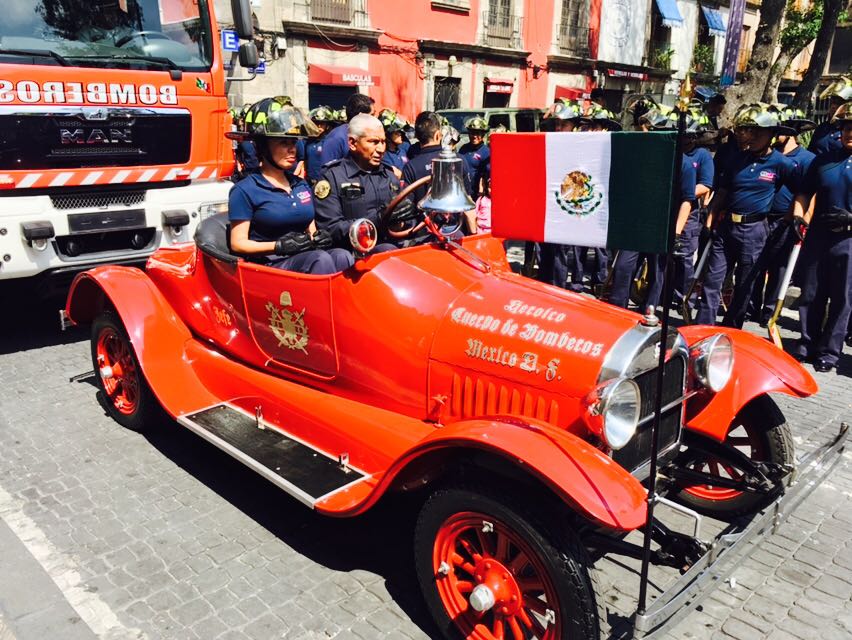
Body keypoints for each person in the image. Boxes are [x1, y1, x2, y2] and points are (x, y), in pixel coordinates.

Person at [695, 104, 797, 327]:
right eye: (750, 131)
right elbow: (722, 192)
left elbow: (802, 191)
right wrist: (710, 221)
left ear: (770, 135)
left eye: (758, 132)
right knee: (712, 280)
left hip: (755, 231)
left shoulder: (781, 163)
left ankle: (732, 329)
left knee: (744, 285)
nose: (752, 136)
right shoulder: (737, 159)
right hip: (726, 228)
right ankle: (702, 327)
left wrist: (790, 218)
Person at [227, 97, 353, 275]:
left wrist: (319, 238)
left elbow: (311, 229)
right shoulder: (244, 190)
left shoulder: (300, 184)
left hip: (304, 257)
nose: (292, 149)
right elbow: (238, 244)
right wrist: (278, 246)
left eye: (293, 142)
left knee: (342, 256)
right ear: (262, 146)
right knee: (320, 259)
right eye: (283, 142)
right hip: (269, 266)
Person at [608, 106, 698, 314]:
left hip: (663, 227)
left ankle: (648, 312)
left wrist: (677, 232)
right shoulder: (642, 159)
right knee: (623, 267)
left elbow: (687, 201)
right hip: (638, 224)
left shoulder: (684, 165)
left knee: (658, 274)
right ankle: (617, 310)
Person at [791, 101, 852, 372]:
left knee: (842, 298)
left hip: (848, 240)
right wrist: (798, 215)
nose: (849, 133)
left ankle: (829, 352)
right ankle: (807, 343)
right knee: (811, 293)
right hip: (818, 235)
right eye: (846, 128)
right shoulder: (824, 160)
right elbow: (804, 192)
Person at [748, 105, 816, 325]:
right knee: (756, 264)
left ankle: (769, 312)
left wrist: (797, 219)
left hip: (785, 221)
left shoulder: (807, 159)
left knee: (778, 268)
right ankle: (751, 307)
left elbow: (808, 193)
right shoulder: (770, 156)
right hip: (760, 219)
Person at [313, 113, 413, 254]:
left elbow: (406, 220)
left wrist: (403, 220)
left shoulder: (389, 176)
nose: (381, 149)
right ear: (352, 143)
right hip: (353, 255)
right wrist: (377, 220)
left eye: (383, 142)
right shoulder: (332, 177)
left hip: (392, 250)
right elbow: (330, 229)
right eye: (374, 142)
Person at [536, 99, 587, 289]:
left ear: (574, 126)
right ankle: (543, 289)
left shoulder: (581, 149)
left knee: (559, 257)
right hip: (548, 209)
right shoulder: (550, 144)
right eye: (557, 124)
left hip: (566, 208)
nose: (558, 128)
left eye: (564, 124)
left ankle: (557, 291)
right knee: (545, 255)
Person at [319, 93, 376, 165]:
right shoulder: (336, 138)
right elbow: (327, 168)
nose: (375, 118)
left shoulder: (370, 134)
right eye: (372, 115)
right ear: (361, 115)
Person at [808, 77, 851, 156]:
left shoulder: (849, 129)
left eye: (839, 102)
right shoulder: (822, 128)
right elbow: (810, 153)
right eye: (832, 102)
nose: (833, 106)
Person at [301, 106, 336, 184]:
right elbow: (303, 162)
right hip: (309, 182)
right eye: (316, 123)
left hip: (326, 182)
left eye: (322, 123)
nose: (319, 126)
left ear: (327, 125)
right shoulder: (306, 142)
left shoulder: (331, 141)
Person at [458, 116, 490, 198]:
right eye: (472, 133)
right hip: (461, 192)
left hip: (476, 195)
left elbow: (488, 175)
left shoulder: (486, 152)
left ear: (483, 134)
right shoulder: (463, 148)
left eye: (477, 133)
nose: (474, 136)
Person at [378, 109, 411, 177]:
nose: (400, 134)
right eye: (396, 132)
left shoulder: (403, 150)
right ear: (387, 135)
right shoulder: (384, 157)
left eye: (400, 131)